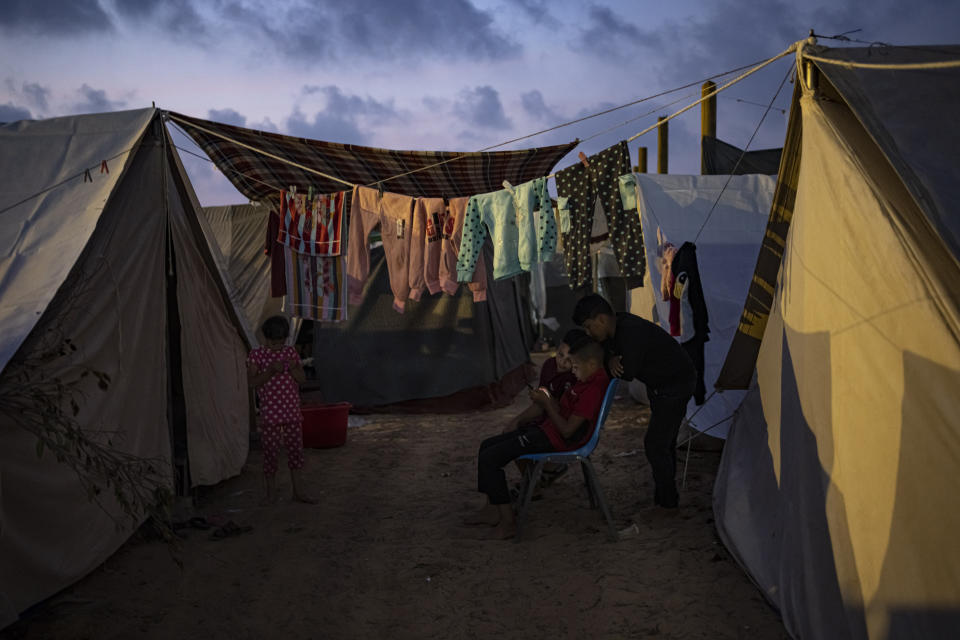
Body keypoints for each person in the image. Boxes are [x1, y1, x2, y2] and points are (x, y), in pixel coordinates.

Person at [466, 339, 610, 540]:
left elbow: (568, 432)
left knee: (491, 458)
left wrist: (547, 404)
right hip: (548, 431)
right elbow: (563, 411)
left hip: (557, 439)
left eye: (575, 367)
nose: (573, 373)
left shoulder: (592, 389)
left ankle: (507, 522)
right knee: (487, 446)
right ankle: (492, 508)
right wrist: (548, 401)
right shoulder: (587, 380)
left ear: (592, 365)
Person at [572, 294, 695, 510]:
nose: (589, 333)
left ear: (601, 319)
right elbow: (611, 357)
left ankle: (667, 502)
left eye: (589, 327)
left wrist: (611, 359)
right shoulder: (616, 328)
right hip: (662, 386)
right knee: (664, 444)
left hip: (675, 385)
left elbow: (626, 371)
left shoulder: (630, 331)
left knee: (656, 445)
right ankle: (666, 497)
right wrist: (610, 358)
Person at [247, 315, 315, 504]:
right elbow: (251, 382)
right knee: (270, 453)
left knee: (296, 452)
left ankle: (298, 491)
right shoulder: (257, 355)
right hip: (270, 416)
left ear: (285, 339)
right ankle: (271, 494)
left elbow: (302, 379)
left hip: (292, 413)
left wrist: (293, 368)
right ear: (265, 339)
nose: (276, 347)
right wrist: (269, 372)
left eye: (280, 342)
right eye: (273, 342)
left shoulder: (291, 353)